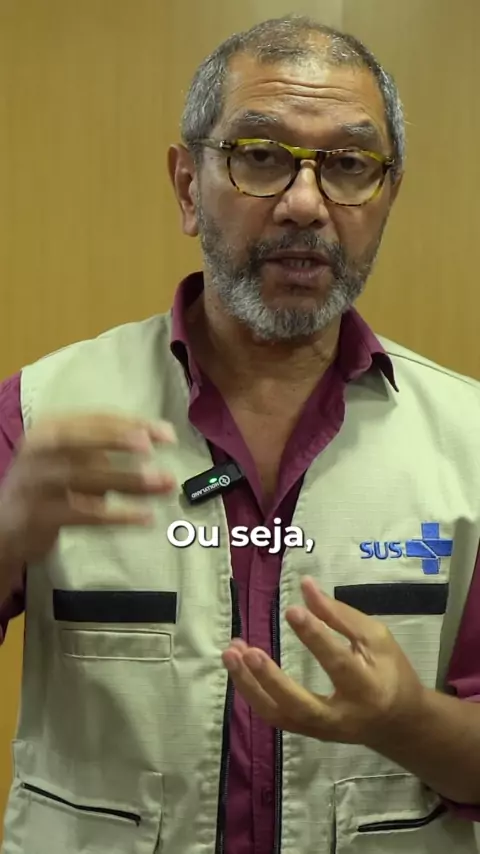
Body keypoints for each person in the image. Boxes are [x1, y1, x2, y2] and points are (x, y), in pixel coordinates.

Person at [0, 13, 479, 854]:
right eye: (260, 156)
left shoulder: (470, 443)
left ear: (387, 197)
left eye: (349, 165)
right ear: (189, 187)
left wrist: (404, 718)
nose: (306, 204)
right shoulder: (39, 416)